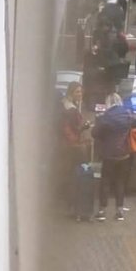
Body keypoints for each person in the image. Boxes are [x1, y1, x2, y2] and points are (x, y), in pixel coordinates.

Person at [89, 93, 136, 221]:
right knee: (120, 182)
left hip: (109, 154)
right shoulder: (127, 114)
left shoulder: (105, 117)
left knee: (106, 181)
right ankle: (119, 211)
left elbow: (94, 133)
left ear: (108, 103)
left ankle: (102, 211)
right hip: (124, 154)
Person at [59, 82, 90, 220]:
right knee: (75, 175)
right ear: (71, 92)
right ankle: (73, 205)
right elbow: (70, 129)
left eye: (81, 92)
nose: (80, 94)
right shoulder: (71, 110)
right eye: (77, 92)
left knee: (70, 174)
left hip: (67, 146)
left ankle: (72, 205)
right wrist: (85, 127)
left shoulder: (66, 105)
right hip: (73, 147)